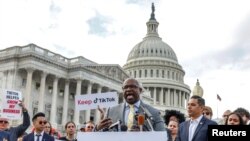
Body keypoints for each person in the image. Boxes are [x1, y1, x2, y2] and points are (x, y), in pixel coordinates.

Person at [95, 78, 166, 132]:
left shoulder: (153, 113)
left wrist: (145, 134)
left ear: (140, 90)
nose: (128, 89)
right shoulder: (111, 111)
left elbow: (162, 137)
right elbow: (101, 136)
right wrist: (97, 128)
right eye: (125, 87)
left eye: (133, 87)